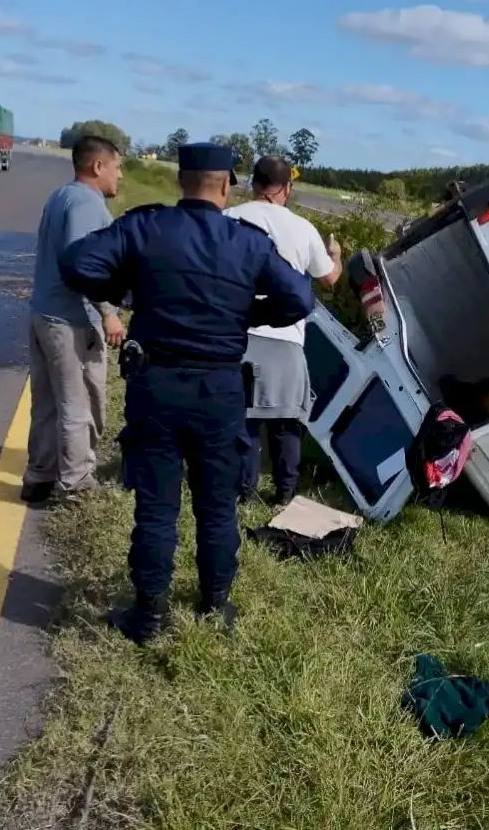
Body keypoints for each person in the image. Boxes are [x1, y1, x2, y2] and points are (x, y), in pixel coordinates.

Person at [58, 143, 315, 644]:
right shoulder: (248, 242)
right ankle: (214, 606)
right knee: (216, 507)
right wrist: (247, 314)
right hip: (219, 389)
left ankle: (148, 615)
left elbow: (76, 264)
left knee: (156, 508)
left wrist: (132, 287)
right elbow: (299, 298)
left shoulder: (145, 226)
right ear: (225, 185)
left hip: (156, 385)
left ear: (181, 181)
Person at [227, 155, 342, 508]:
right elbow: (330, 279)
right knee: (285, 422)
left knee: (242, 418)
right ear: (286, 188)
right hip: (285, 338)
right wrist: (336, 254)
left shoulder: (229, 218)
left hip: (237, 333)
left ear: (253, 183)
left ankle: (241, 492)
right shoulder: (304, 229)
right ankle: (284, 495)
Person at [21, 135, 126, 504]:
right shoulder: (85, 203)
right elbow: (85, 267)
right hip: (70, 319)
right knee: (77, 402)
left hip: (44, 311)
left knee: (47, 401)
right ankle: (77, 482)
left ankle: (40, 476)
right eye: (117, 167)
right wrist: (109, 313)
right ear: (97, 166)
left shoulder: (61, 195)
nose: (120, 177)